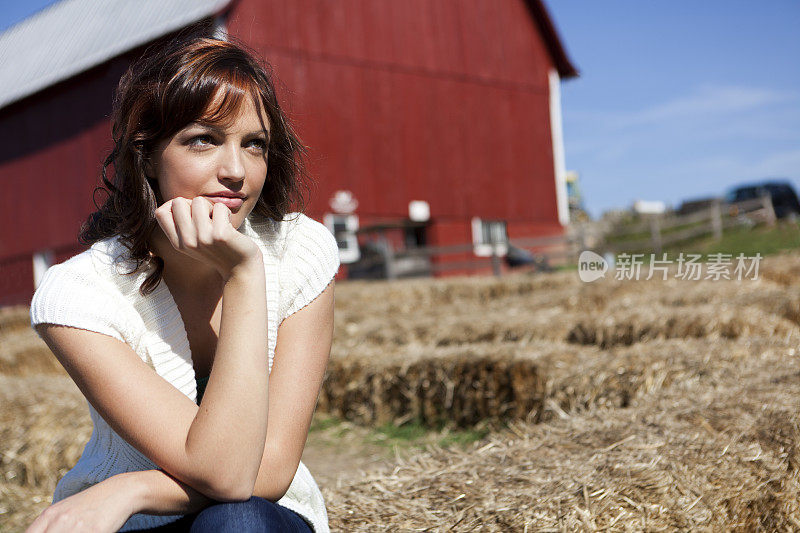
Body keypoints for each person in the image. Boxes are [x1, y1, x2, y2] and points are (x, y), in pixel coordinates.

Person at [26, 26, 339, 533]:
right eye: (203, 140)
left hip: (259, 516)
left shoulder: (301, 252)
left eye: (255, 144)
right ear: (146, 155)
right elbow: (225, 472)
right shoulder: (79, 294)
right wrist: (136, 502)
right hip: (135, 527)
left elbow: (259, 476)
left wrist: (133, 487)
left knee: (236, 519)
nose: (236, 170)